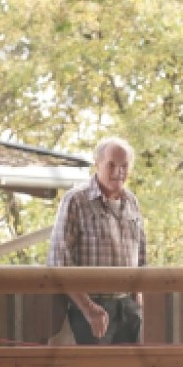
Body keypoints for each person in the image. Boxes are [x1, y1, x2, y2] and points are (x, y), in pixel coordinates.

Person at [49, 137, 147, 345]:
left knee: (129, 365)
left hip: (127, 306)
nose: (118, 171)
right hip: (91, 306)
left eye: (124, 166)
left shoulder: (131, 202)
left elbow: (141, 254)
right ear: (97, 163)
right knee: (93, 365)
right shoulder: (76, 200)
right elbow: (59, 260)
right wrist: (88, 308)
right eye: (112, 164)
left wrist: (137, 298)